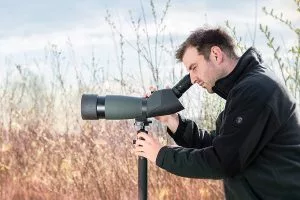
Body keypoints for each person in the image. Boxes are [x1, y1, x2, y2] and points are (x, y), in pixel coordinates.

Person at [133, 26, 300, 199]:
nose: (192, 78)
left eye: (194, 67)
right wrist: (171, 120)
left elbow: (222, 160)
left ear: (216, 54)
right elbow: (219, 145)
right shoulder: (246, 89)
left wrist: (160, 154)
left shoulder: (255, 89)